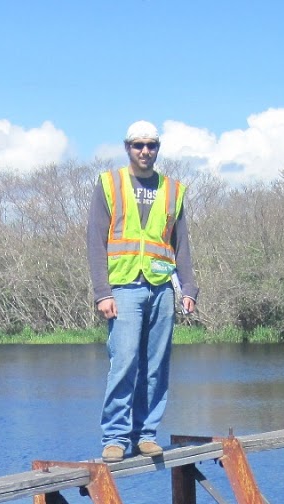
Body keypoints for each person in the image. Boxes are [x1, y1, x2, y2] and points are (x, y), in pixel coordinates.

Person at [88, 120, 198, 463]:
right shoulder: (110, 184)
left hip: (162, 287)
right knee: (124, 362)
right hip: (123, 287)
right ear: (127, 148)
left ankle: (146, 434)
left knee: (156, 367)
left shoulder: (172, 189)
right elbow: (95, 240)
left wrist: (189, 287)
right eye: (138, 145)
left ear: (158, 148)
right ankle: (116, 437)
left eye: (151, 145)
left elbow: (180, 243)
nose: (145, 151)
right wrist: (102, 292)